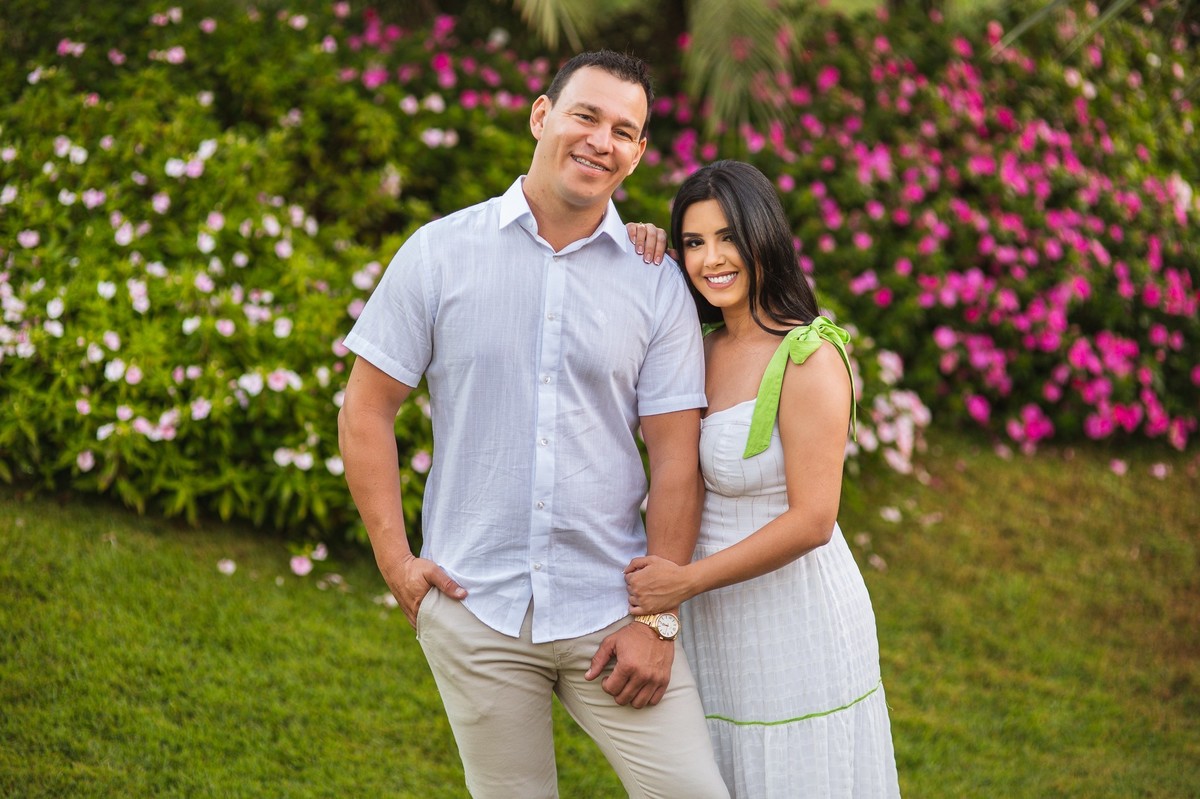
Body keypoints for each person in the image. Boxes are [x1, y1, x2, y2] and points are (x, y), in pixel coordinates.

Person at [337, 50, 730, 799]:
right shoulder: (439, 253)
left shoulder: (656, 281)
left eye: (624, 130)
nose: (601, 141)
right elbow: (366, 407)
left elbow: (677, 457)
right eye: (586, 115)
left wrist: (658, 621)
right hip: (475, 608)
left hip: (612, 608)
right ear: (542, 115)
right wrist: (396, 561)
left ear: (638, 153)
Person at [623, 160, 902, 798]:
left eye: (728, 238)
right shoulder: (697, 346)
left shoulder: (808, 356)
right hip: (717, 622)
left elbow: (813, 520)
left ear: (763, 237)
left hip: (796, 621)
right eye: (694, 242)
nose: (711, 259)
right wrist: (638, 243)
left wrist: (684, 582)